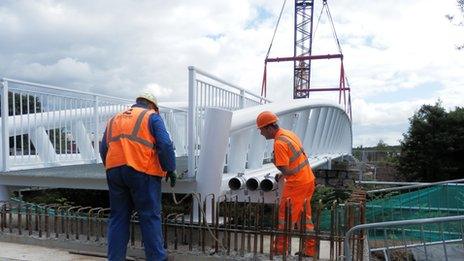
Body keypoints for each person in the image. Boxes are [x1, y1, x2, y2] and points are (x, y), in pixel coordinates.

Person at [100, 92, 177, 261]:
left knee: (118, 217)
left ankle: (115, 258)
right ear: (152, 106)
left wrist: (112, 167)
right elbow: (164, 143)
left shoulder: (114, 119)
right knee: (149, 216)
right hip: (142, 171)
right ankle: (156, 258)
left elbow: (103, 148)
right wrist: (170, 168)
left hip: (114, 171)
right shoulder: (152, 117)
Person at [256, 110, 316, 257]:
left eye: (262, 130)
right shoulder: (289, 134)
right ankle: (309, 250)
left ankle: (279, 251)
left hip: (296, 184)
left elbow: (287, 171)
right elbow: (295, 162)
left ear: (269, 128)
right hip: (308, 180)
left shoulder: (279, 143)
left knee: (286, 218)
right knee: (305, 218)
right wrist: (283, 172)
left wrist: (276, 162)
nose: (261, 133)